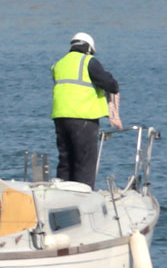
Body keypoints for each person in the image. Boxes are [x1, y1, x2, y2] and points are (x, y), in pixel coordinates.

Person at [50, 31, 121, 187]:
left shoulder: (58, 64)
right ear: (88, 48)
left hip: (60, 117)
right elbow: (111, 85)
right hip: (83, 117)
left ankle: (62, 192)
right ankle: (83, 195)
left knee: (65, 159)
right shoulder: (88, 61)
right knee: (84, 161)